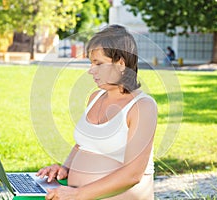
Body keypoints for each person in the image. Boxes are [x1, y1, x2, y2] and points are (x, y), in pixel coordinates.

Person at [36, 24, 158, 200]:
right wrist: (65, 168)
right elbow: (83, 144)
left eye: (98, 63)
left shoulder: (143, 106)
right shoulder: (95, 97)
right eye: (91, 63)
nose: (90, 70)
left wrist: (78, 194)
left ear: (121, 64)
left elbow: (133, 174)